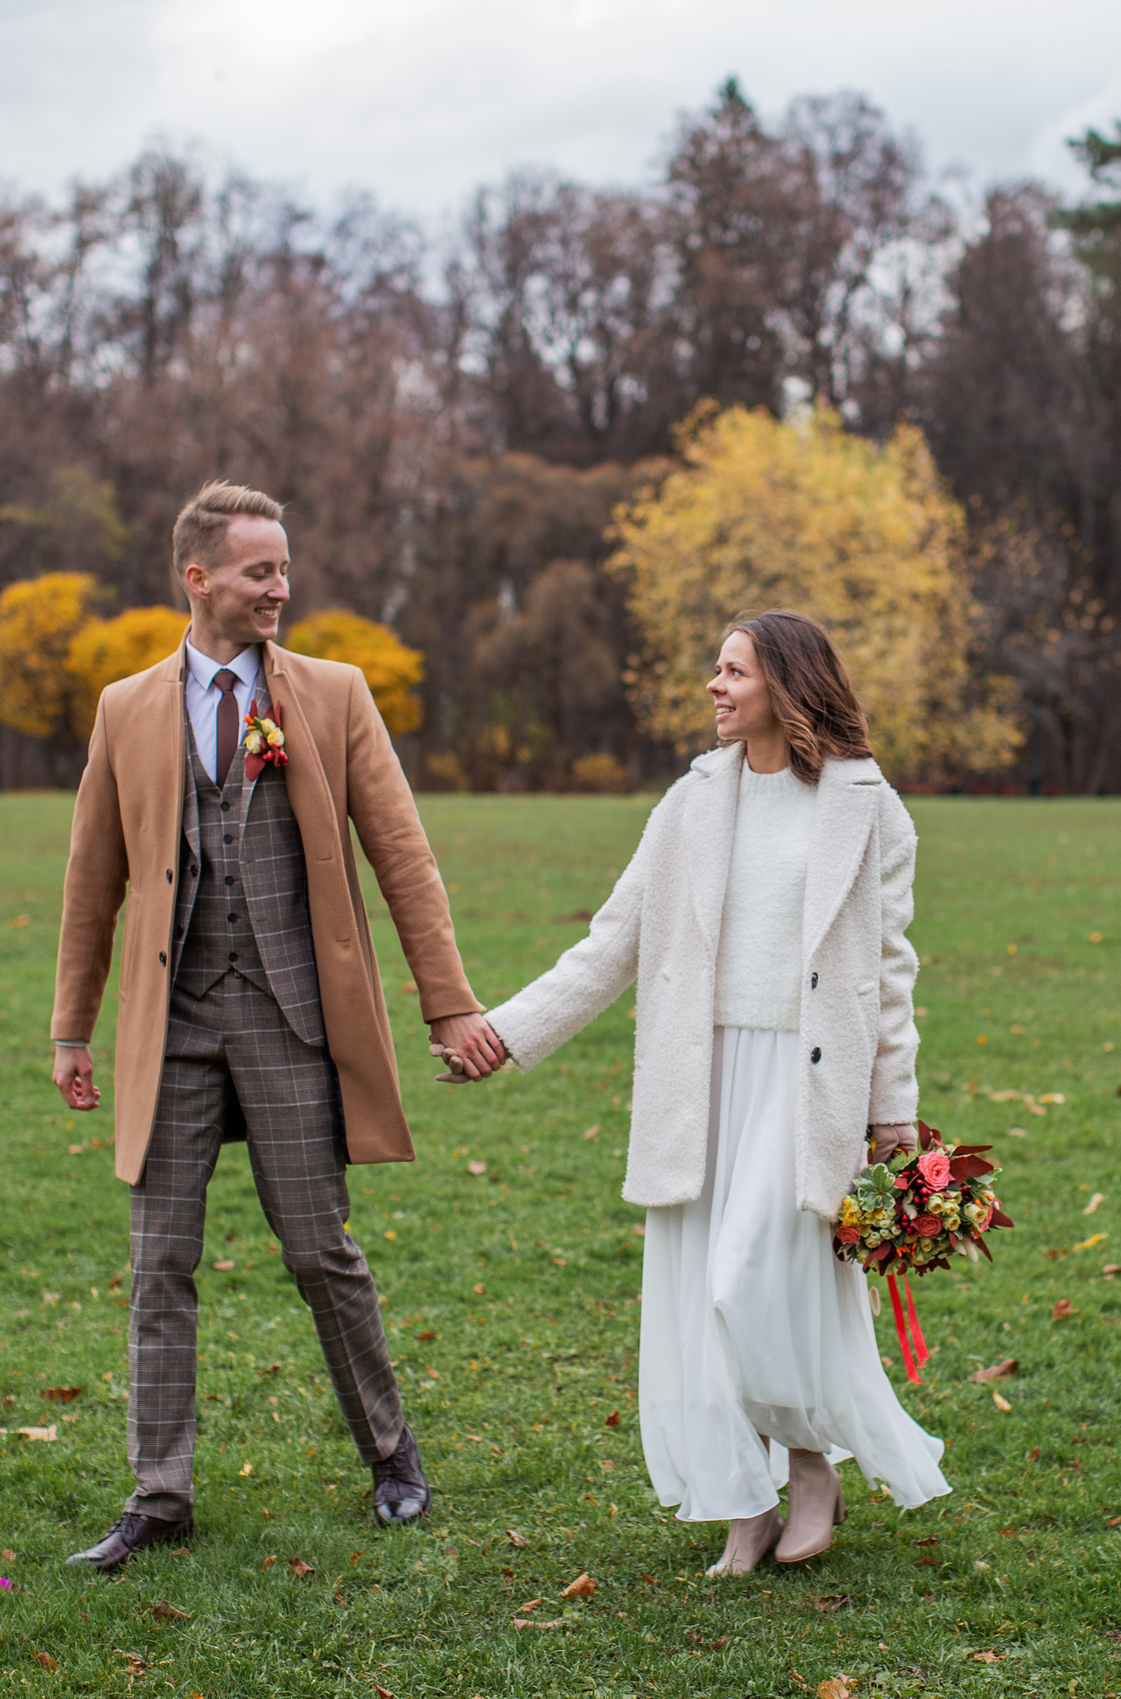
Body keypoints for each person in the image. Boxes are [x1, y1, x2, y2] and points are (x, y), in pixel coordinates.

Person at [48, 481, 507, 1572]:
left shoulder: (336, 696)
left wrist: (448, 1003)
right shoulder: (125, 709)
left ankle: (394, 1459)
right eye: (260, 572)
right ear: (197, 578)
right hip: (174, 1032)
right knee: (159, 1262)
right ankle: (159, 1494)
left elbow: (403, 857)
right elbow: (89, 881)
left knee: (320, 1252)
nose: (280, 589)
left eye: (285, 570)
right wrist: (72, 1028)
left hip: (292, 1020)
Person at [465, 609, 950, 1577]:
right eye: (714, 669)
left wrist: (892, 1112)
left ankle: (809, 1462)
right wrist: (503, 1034)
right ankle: (741, 1504)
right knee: (701, 1297)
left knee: (753, 1282)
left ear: (786, 684)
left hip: (808, 1088)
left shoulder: (867, 808)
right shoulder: (689, 802)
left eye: (731, 671)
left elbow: (888, 973)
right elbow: (614, 941)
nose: (712, 687)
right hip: (704, 1079)